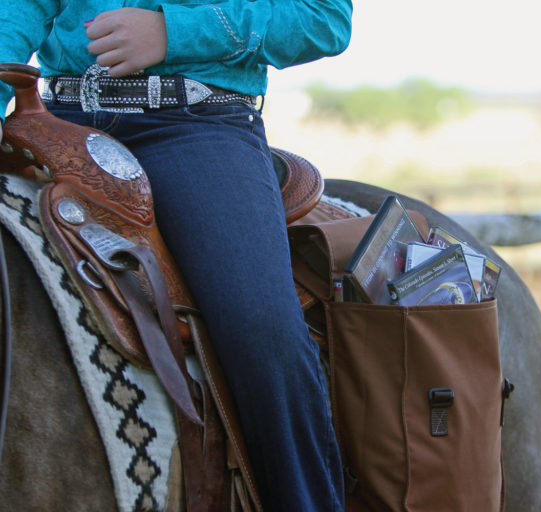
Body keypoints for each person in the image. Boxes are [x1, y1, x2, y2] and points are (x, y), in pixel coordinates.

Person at [0, 1, 352, 510]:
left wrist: (176, 32)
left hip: (193, 123)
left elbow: (322, 19)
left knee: (260, 327)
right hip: (55, 119)